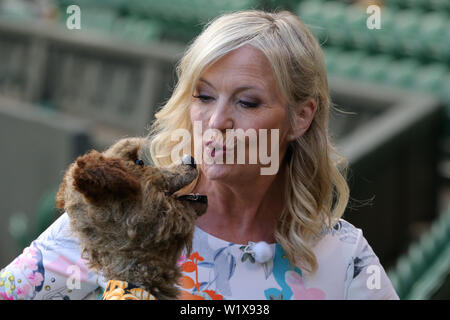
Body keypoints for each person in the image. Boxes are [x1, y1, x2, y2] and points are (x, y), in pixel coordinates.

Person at [0, 9, 399, 300]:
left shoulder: (345, 259)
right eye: (204, 96)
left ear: (300, 118)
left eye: (247, 102)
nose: (217, 120)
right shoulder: (123, 213)